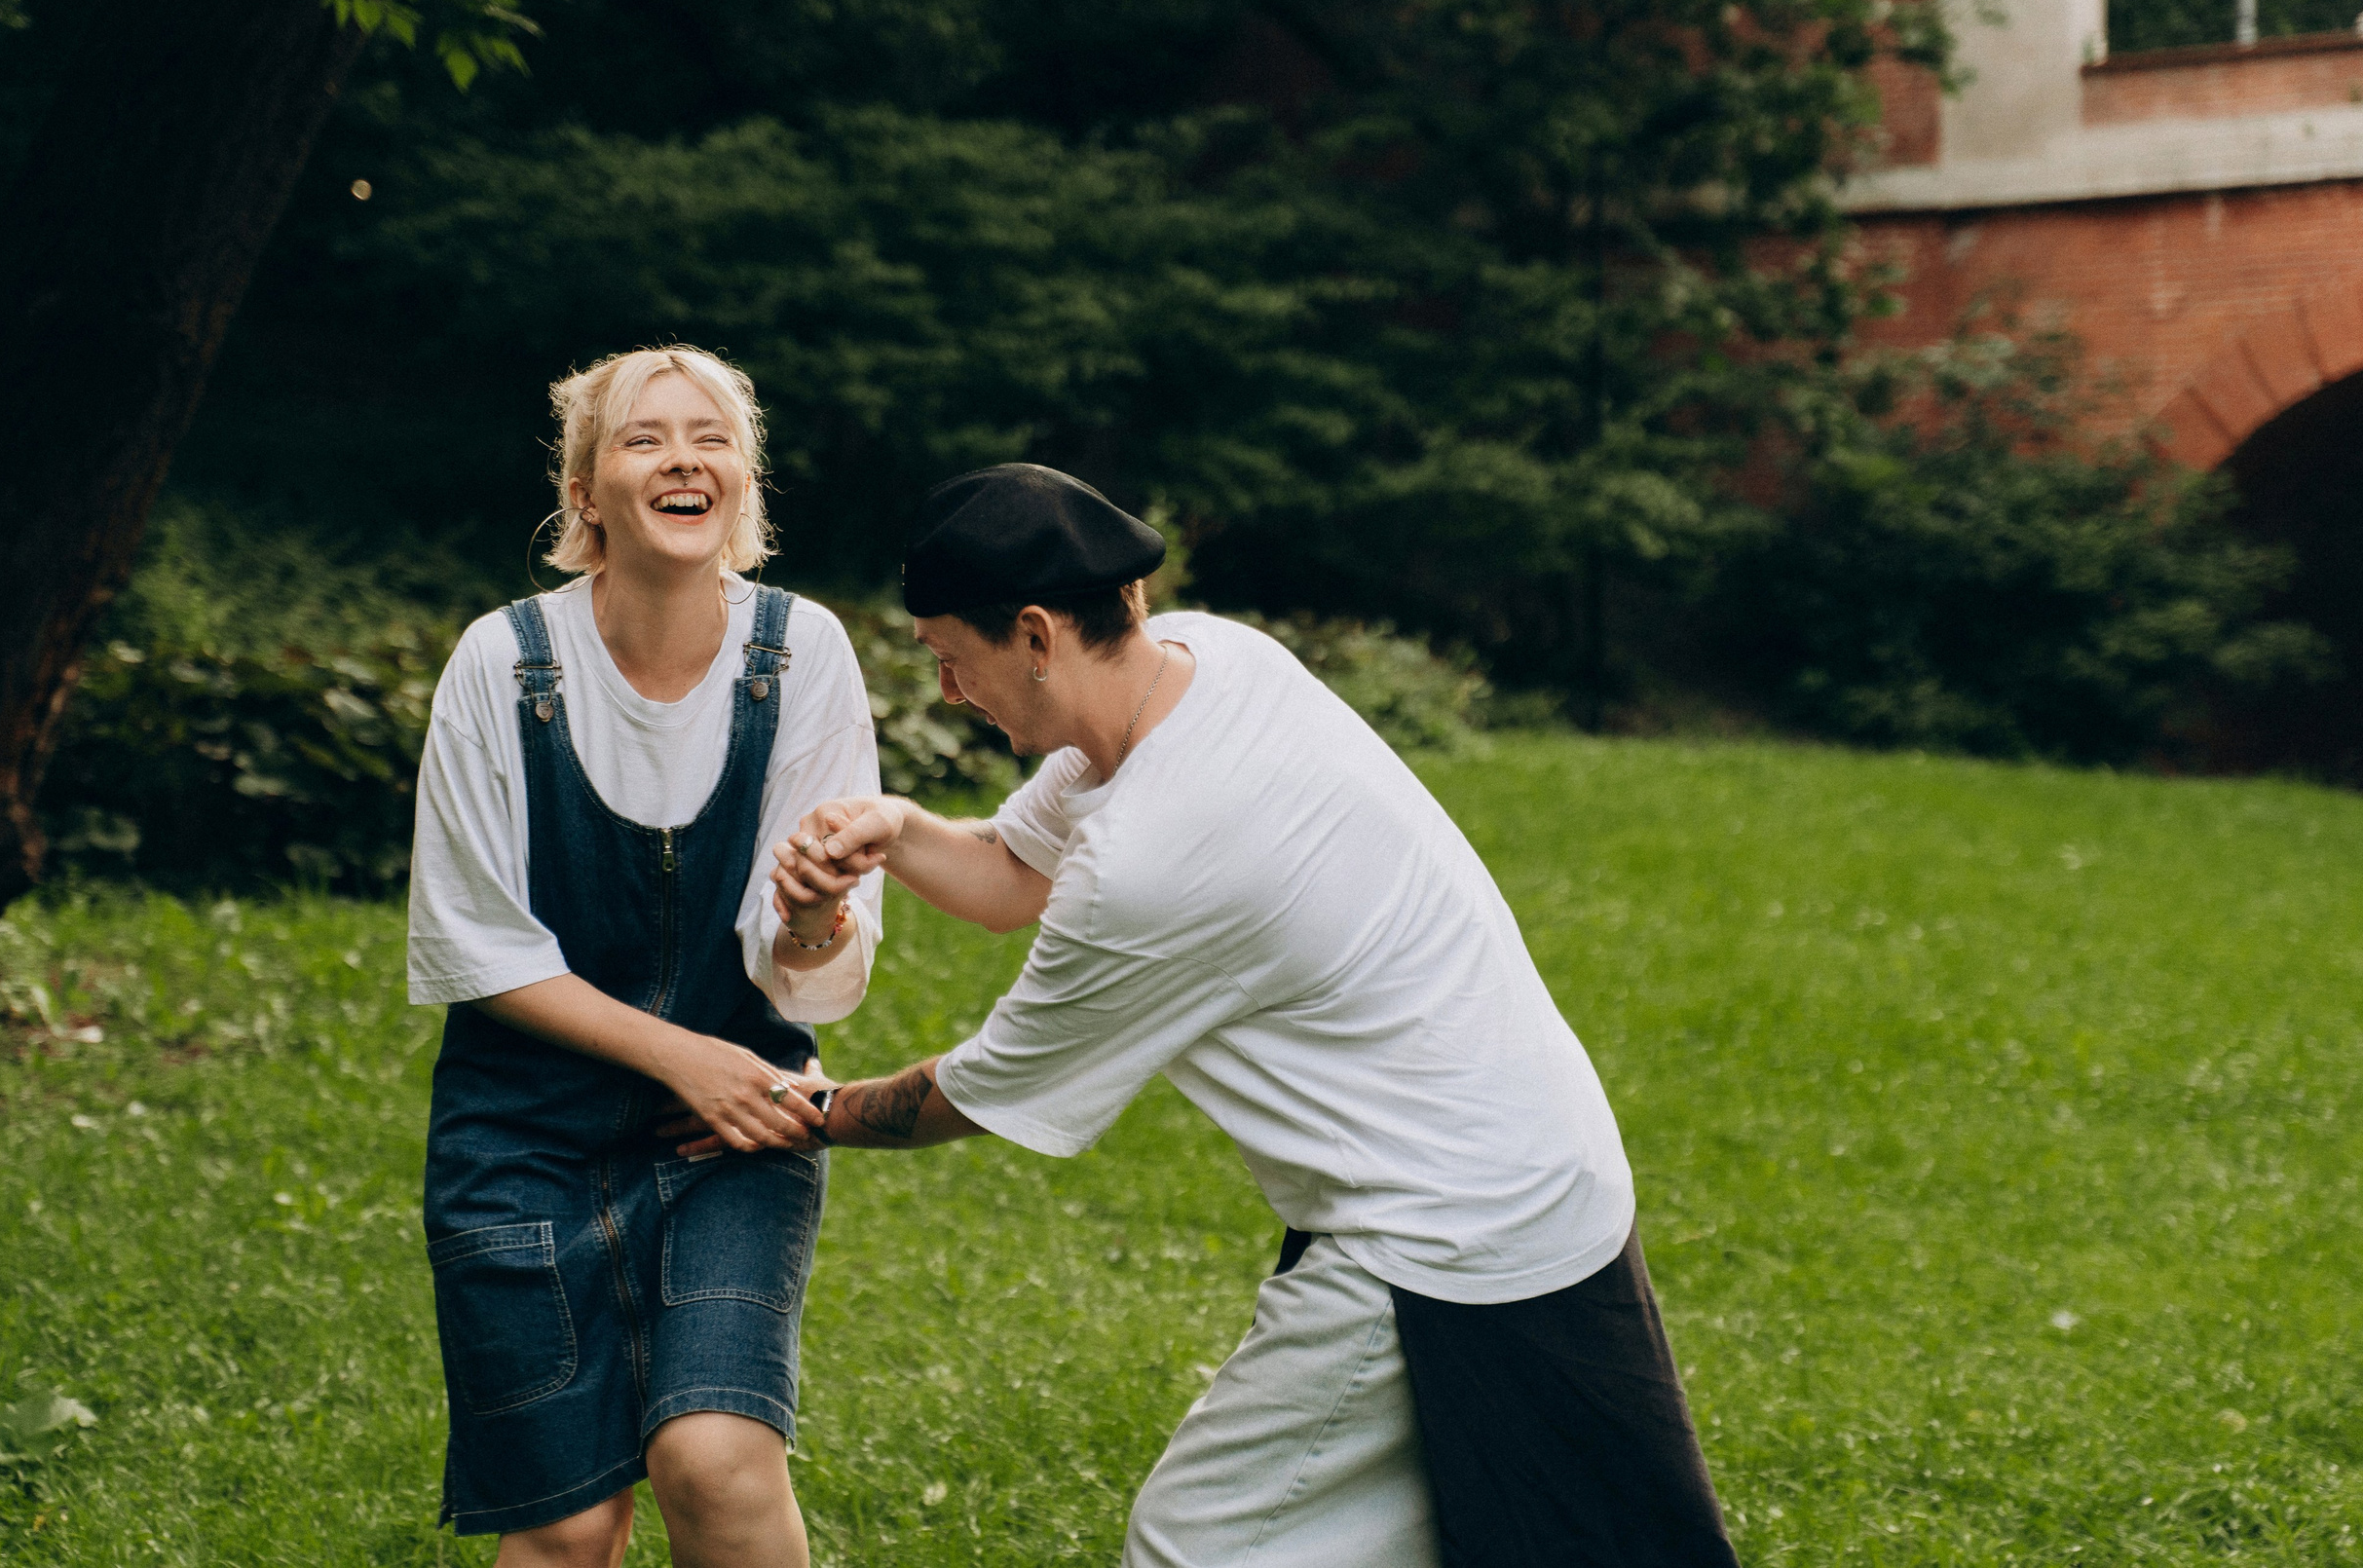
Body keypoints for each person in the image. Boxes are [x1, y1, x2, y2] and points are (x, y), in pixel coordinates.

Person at [666, 463, 1742, 1567]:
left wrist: (812, 1106)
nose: (946, 691)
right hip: (1527, 1163)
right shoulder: (1208, 660)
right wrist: (896, 827)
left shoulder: (1157, 857)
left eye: (951, 658)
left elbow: (974, 1094)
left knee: (1201, 1546)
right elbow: (1008, 872)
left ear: (1035, 635)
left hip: (1438, 1230)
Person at [407, 346, 876, 1567]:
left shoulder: (803, 653)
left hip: (733, 1138)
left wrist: (816, 919)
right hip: (522, 1135)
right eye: (644, 437)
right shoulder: (502, 665)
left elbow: (814, 965)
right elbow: (476, 944)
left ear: (745, 482)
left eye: (711, 435)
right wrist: (687, 1059)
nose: (683, 458)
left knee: (713, 1463)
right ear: (584, 493)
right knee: (566, 1527)